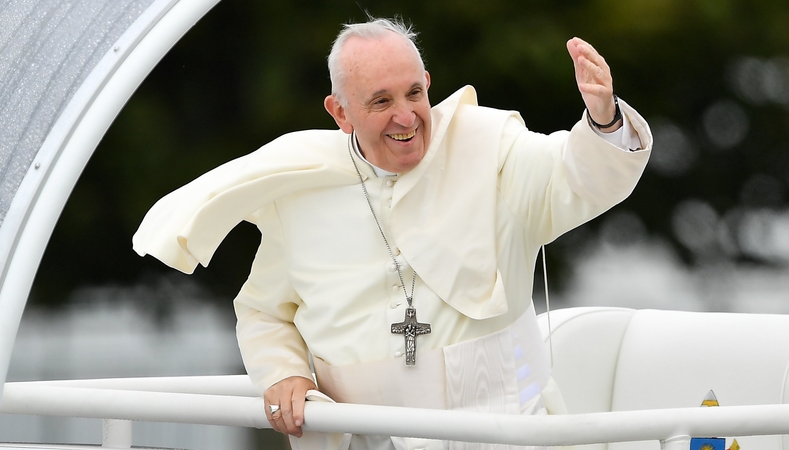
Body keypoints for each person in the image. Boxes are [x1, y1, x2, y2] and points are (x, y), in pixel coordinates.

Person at [133, 17, 652, 450]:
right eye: (381, 102)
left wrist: (603, 121)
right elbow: (265, 311)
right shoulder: (302, 185)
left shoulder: (489, 145)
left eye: (414, 93)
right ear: (341, 112)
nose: (406, 117)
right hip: (368, 440)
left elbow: (572, 176)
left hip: (504, 432)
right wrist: (285, 375)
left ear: (428, 83)